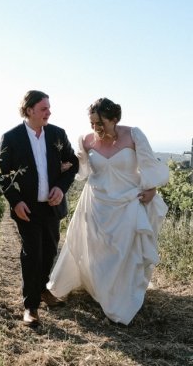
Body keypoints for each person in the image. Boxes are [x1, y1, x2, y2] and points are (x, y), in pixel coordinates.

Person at [47, 97, 169, 325]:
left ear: (114, 119)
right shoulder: (85, 140)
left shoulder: (134, 135)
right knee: (98, 251)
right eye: (92, 123)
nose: (95, 129)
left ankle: (121, 297)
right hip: (96, 202)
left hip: (128, 202)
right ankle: (100, 290)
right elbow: (81, 171)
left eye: (100, 123)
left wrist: (151, 188)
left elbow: (149, 165)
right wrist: (64, 167)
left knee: (126, 252)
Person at [0, 90, 79, 327]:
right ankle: (30, 306)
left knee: (50, 250)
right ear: (29, 110)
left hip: (52, 207)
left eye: (49, 108)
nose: (49, 112)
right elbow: (1, 174)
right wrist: (15, 201)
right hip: (27, 209)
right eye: (44, 108)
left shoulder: (57, 134)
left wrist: (61, 188)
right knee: (32, 254)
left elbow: (73, 163)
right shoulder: (11, 138)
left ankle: (43, 289)